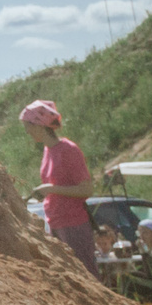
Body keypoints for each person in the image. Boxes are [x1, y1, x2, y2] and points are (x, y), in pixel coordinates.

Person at [24, 99, 96, 275]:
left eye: (28, 126)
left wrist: (51, 189)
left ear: (40, 125)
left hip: (73, 223)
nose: (27, 131)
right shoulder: (49, 151)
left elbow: (86, 189)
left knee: (86, 275)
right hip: (55, 222)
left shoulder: (68, 149)